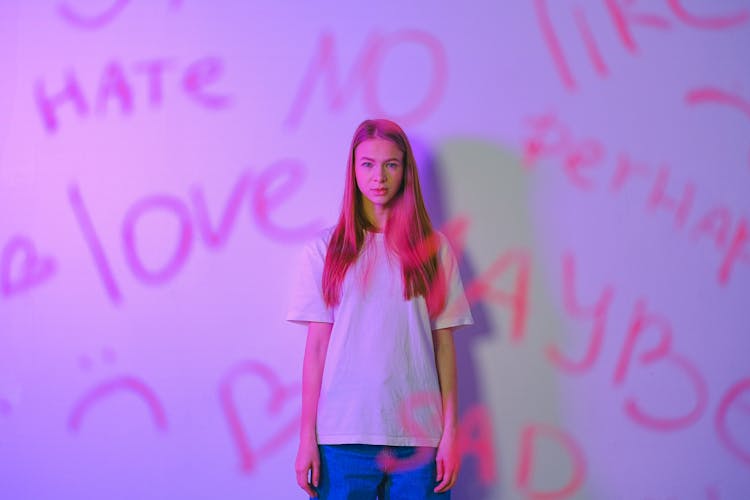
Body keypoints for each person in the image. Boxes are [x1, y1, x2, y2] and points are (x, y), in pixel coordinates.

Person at [286, 118, 473, 499]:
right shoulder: (324, 251)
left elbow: (444, 347)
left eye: (391, 164)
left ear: (406, 171)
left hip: (420, 439)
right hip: (343, 436)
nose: (379, 177)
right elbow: (316, 349)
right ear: (352, 170)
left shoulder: (433, 250)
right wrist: (307, 438)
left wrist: (451, 435)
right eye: (367, 164)